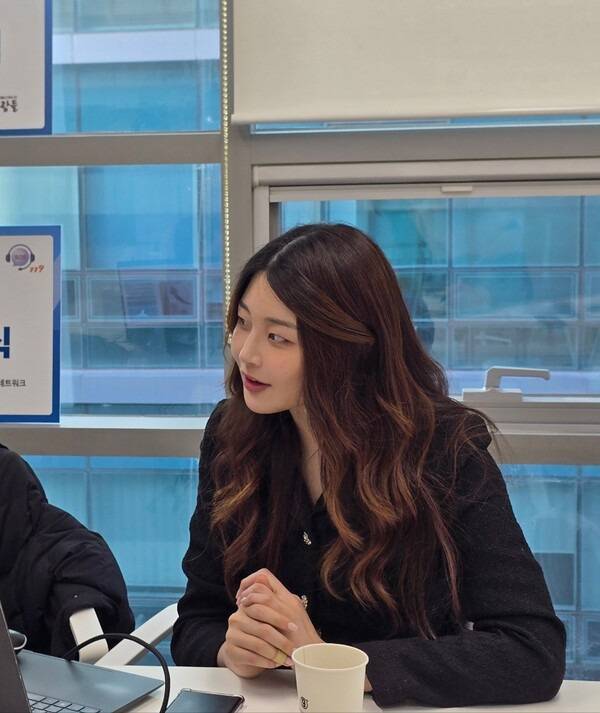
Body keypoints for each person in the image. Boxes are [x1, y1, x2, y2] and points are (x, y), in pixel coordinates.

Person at [171, 223, 565, 707]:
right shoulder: (233, 433)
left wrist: (332, 662)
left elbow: (532, 651)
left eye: (278, 337)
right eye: (242, 322)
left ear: (347, 347)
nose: (246, 353)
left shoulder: (442, 448)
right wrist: (229, 650)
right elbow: (198, 619)